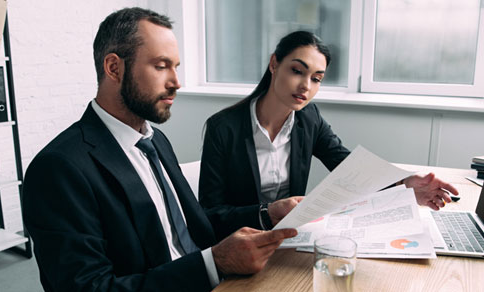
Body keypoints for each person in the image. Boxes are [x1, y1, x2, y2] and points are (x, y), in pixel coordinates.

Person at [22, 7, 297, 292]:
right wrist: (214, 264)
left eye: (176, 67)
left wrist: (267, 213)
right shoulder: (58, 168)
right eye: (161, 66)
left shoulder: (156, 140)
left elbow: (194, 224)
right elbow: (90, 288)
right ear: (114, 68)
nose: (176, 82)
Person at [199, 31, 459, 240]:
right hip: (241, 245)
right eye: (297, 71)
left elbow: (350, 167)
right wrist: (268, 213)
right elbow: (210, 215)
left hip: (288, 241)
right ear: (274, 63)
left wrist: (403, 184)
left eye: (317, 78)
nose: (306, 86)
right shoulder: (223, 128)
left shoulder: (309, 118)